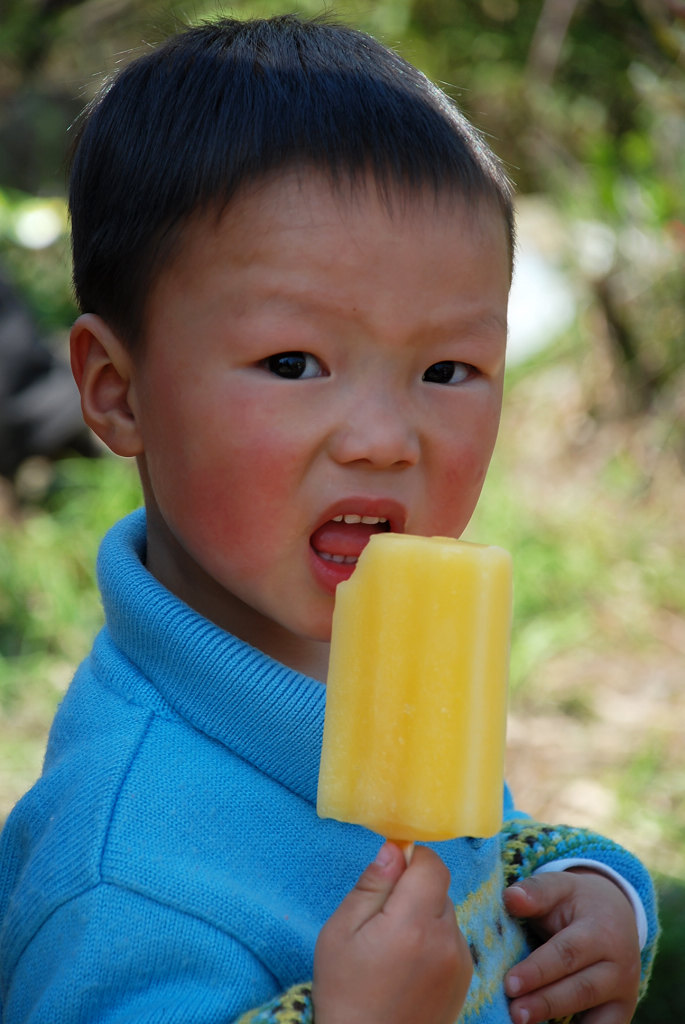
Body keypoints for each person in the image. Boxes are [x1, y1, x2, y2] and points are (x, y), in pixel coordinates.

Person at [0, 14, 657, 1024]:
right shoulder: (121, 879)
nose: (388, 437)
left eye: (448, 370)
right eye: (294, 364)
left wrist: (588, 890)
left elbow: (480, 843)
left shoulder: (347, 666)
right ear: (118, 392)